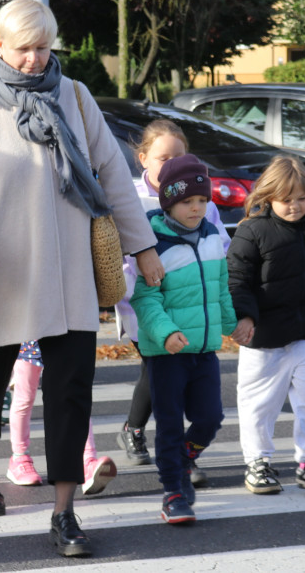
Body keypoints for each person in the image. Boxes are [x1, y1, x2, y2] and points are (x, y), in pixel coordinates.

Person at [0, 0, 162, 558]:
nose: (36, 59)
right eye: (23, 49)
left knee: (69, 393)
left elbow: (111, 172)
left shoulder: (75, 96)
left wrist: (145, 245)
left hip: (67, 273)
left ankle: (64, 512)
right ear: (0, 47)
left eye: (44, 47)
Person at [114, 119, 231, 487]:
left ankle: (169, 445)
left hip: (193, 307)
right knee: (159, 371)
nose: (170, 164)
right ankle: (164, 452)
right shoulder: (129, 198)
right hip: (145, 304)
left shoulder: (200, 200)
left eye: (179, 156)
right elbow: (113, 249)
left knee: (174, 380)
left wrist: (230, 314)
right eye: (163, 158)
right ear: (143, 158)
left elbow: (219, 251)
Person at [130, 154, 237, 524]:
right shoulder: (154, 243)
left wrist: (232, 323)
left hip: (204, 349)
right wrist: (166, 333)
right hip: (167, 352)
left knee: (211, 417)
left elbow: (221, 286)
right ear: (169, 203)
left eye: (202, 201)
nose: (196, 209)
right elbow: (145, 298)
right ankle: (173, 490)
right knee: (170, 423)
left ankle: (187, 457)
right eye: (188, 202)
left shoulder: (211, 237)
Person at [227, 154, 305, 495]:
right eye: (286, 200)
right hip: (264, 340)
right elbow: (237, 279)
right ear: (269, 197)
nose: (295, 206)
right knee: (259, 404)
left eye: (302, 199)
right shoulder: (253, 230)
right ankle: (257, 462)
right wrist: (244, 316)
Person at [5, 342, 117, 495]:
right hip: (29, 337)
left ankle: (88, 462)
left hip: (61, 336)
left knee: (73, 397)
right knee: (24, 398)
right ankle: (19, 458)